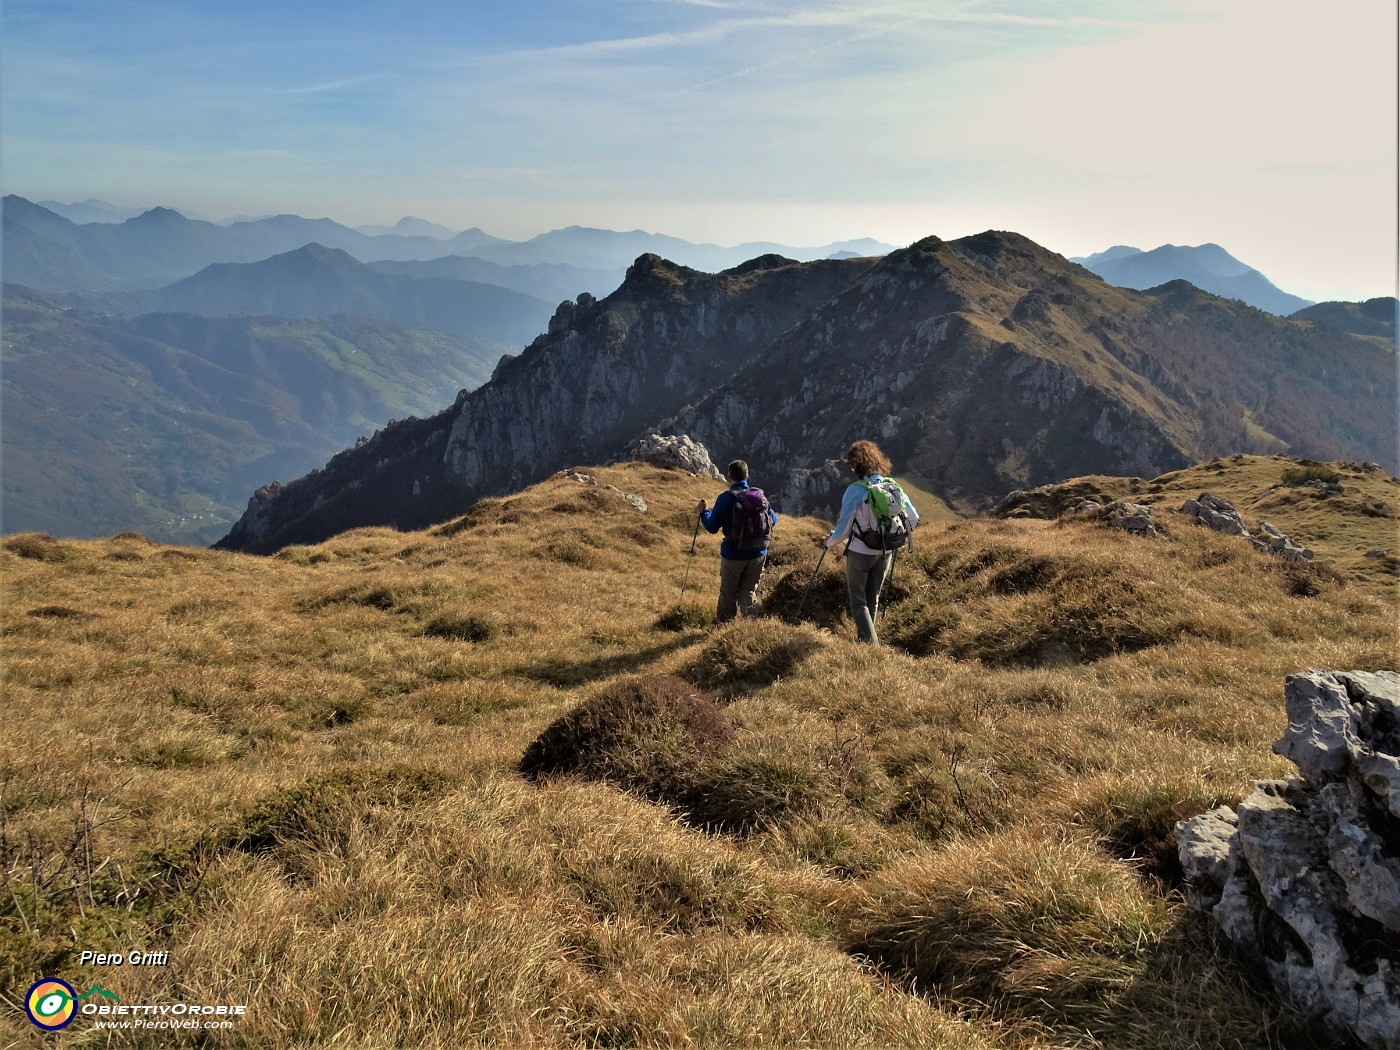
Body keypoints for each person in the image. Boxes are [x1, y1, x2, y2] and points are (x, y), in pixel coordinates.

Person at [821, 440, 919, 644]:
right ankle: (866, 638)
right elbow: (913, 518)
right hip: (885, 550)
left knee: (858, 601)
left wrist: (829, 542)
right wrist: (891, 533)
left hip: (860, 551)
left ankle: (870, 645)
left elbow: (844, 528)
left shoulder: (855, 490)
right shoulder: (893, 486)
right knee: (872, 596)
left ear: (855, 465)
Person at [696, 459, 778, 624]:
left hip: (733, 555)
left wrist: (703, 513)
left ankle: (725, 627)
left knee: (729, 592)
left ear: (729, 478)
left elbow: (712, 527)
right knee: (748, 591)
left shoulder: (725, 499)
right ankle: (751, 626)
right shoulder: (759, 496)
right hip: (758, 554)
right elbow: (773, 520)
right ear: (747, 476)